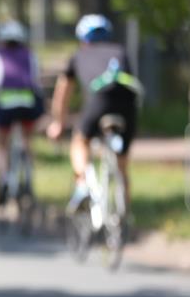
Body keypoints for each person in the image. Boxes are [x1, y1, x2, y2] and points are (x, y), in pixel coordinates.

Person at [47, 14, 143, 212]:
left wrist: (58, 122)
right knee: (122, 165)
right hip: (128, 103)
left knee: (80, 140)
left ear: (82, 38)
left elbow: (62, 94)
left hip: (99, 101)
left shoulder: (78, 56)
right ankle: (123, 217)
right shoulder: (120, 51)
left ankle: (82, 184)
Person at [0, 20, 44, 209]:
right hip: (28, 103)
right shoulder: (30, 55)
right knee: (27, 139)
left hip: (5, 105)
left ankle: (4, 178)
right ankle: (29, 174)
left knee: (1, 144)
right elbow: (36, 80)